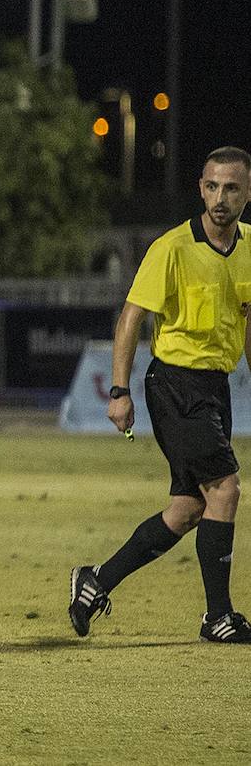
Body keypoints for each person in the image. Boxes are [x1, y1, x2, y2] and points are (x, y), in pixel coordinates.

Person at [70, 146, 251, 643]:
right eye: (212, 186)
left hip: (215, 388)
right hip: (174, 385)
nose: (220, 197)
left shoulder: (250, 247)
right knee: (226, 489)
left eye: (232, 188)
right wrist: (119, 391)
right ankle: (218, 617)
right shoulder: (172, 248)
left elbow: (247, 319)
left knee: (190, 508)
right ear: (200, 188)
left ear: (247, 193)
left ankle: (95, 582)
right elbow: (130, 318)